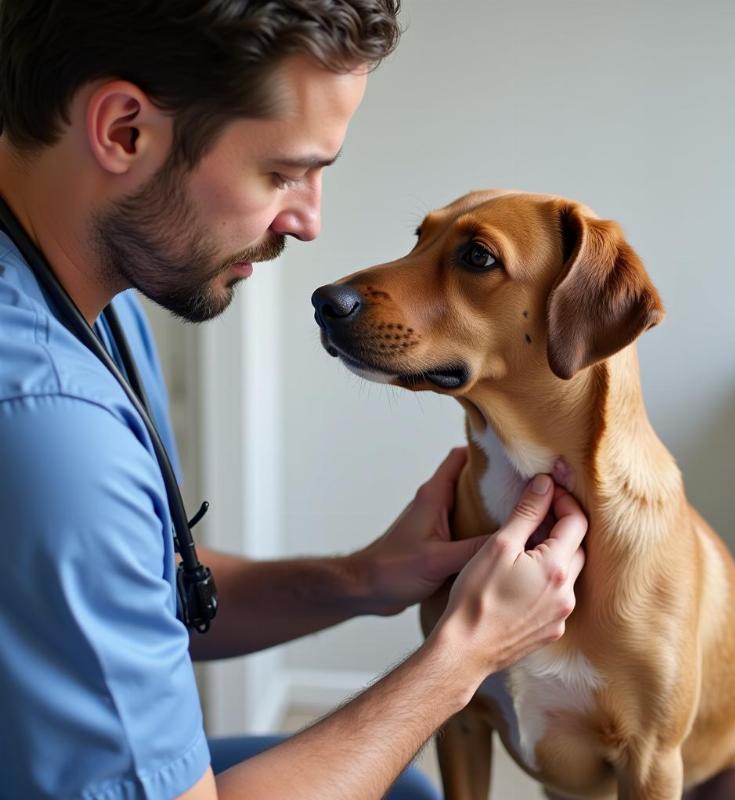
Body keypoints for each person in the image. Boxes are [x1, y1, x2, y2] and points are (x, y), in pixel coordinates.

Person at [0, 2, 588, 798]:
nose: (309, 221)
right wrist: (466, 657)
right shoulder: (53, 429)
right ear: (124, 131)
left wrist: (364, 578)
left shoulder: (85, 295)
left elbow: (141, 585)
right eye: (282, 172)